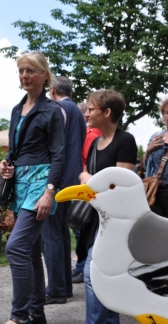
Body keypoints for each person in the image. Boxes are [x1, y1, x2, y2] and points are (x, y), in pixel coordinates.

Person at [0, 51, 65, 324]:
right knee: (31, 249)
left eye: (31, 71)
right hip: (20, 180)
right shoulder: (16, 109)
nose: (25, 76)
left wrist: (50, 192)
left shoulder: (52, 111)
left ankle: (20, 317)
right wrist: (5, 163)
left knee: (16, 247)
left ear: (44, 75)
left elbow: (59, 155)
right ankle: (36, 311)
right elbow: (15, 149)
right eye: (21, 70)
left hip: (40, 183)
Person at [68, 89, 137, 324]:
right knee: (99, 271)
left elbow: (121, 186)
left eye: (90, 109)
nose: (86, 113)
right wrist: (86, 174)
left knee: (91, 273)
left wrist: (88, 178)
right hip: (95, 218)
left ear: (107, 112)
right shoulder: (96, 143)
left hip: (115, 221)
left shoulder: (125, 141)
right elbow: (90, 177)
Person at [42, 76, 86, 305]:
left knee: (51, 235)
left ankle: (57, 289)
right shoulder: (77, 110)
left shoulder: (57, 107)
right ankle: (64, 286)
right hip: (71, 178)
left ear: (52, 90)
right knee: (61, 234)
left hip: (56, 179)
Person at [72, 101, 102, 285]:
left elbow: (85, 160)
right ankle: (83, 267)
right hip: (85, 182)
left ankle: (82, 267)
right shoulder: (90, 133)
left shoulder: (92, 134)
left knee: (81, 227)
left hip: (86, 185)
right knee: (80, 229)